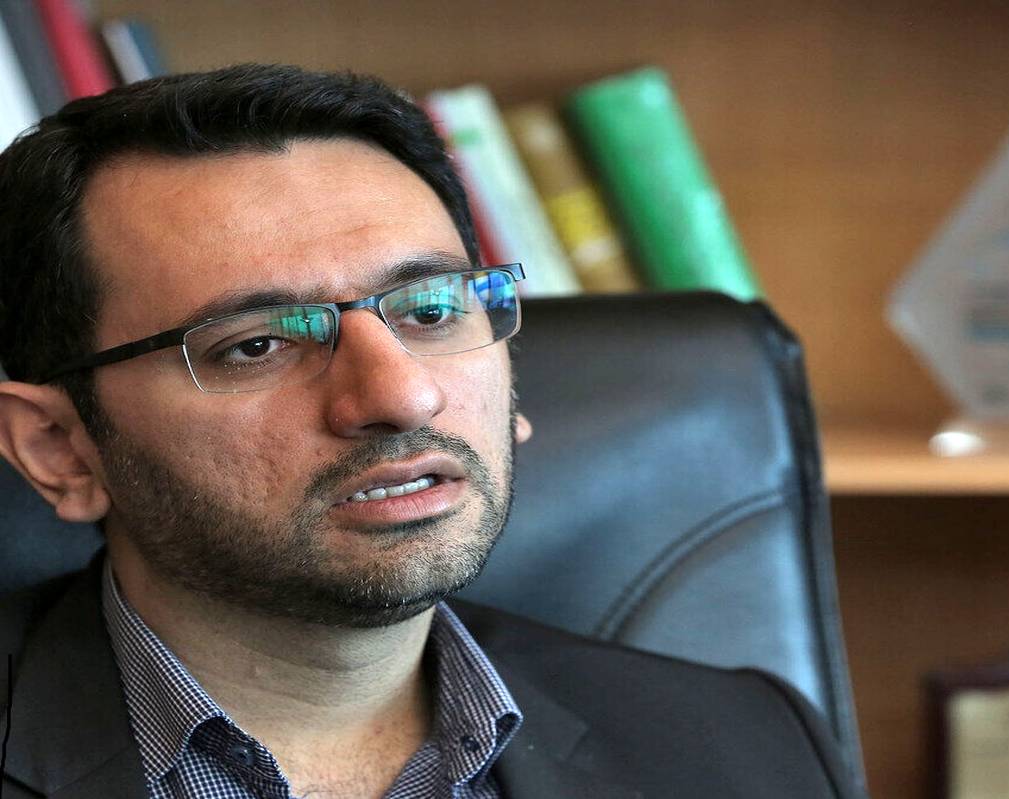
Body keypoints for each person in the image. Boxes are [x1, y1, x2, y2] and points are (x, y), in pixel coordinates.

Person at [0, 65, 860, 799]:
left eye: (433, 309)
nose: (402, 395)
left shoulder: (747, 748)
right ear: (59, 448)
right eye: (256, 344)